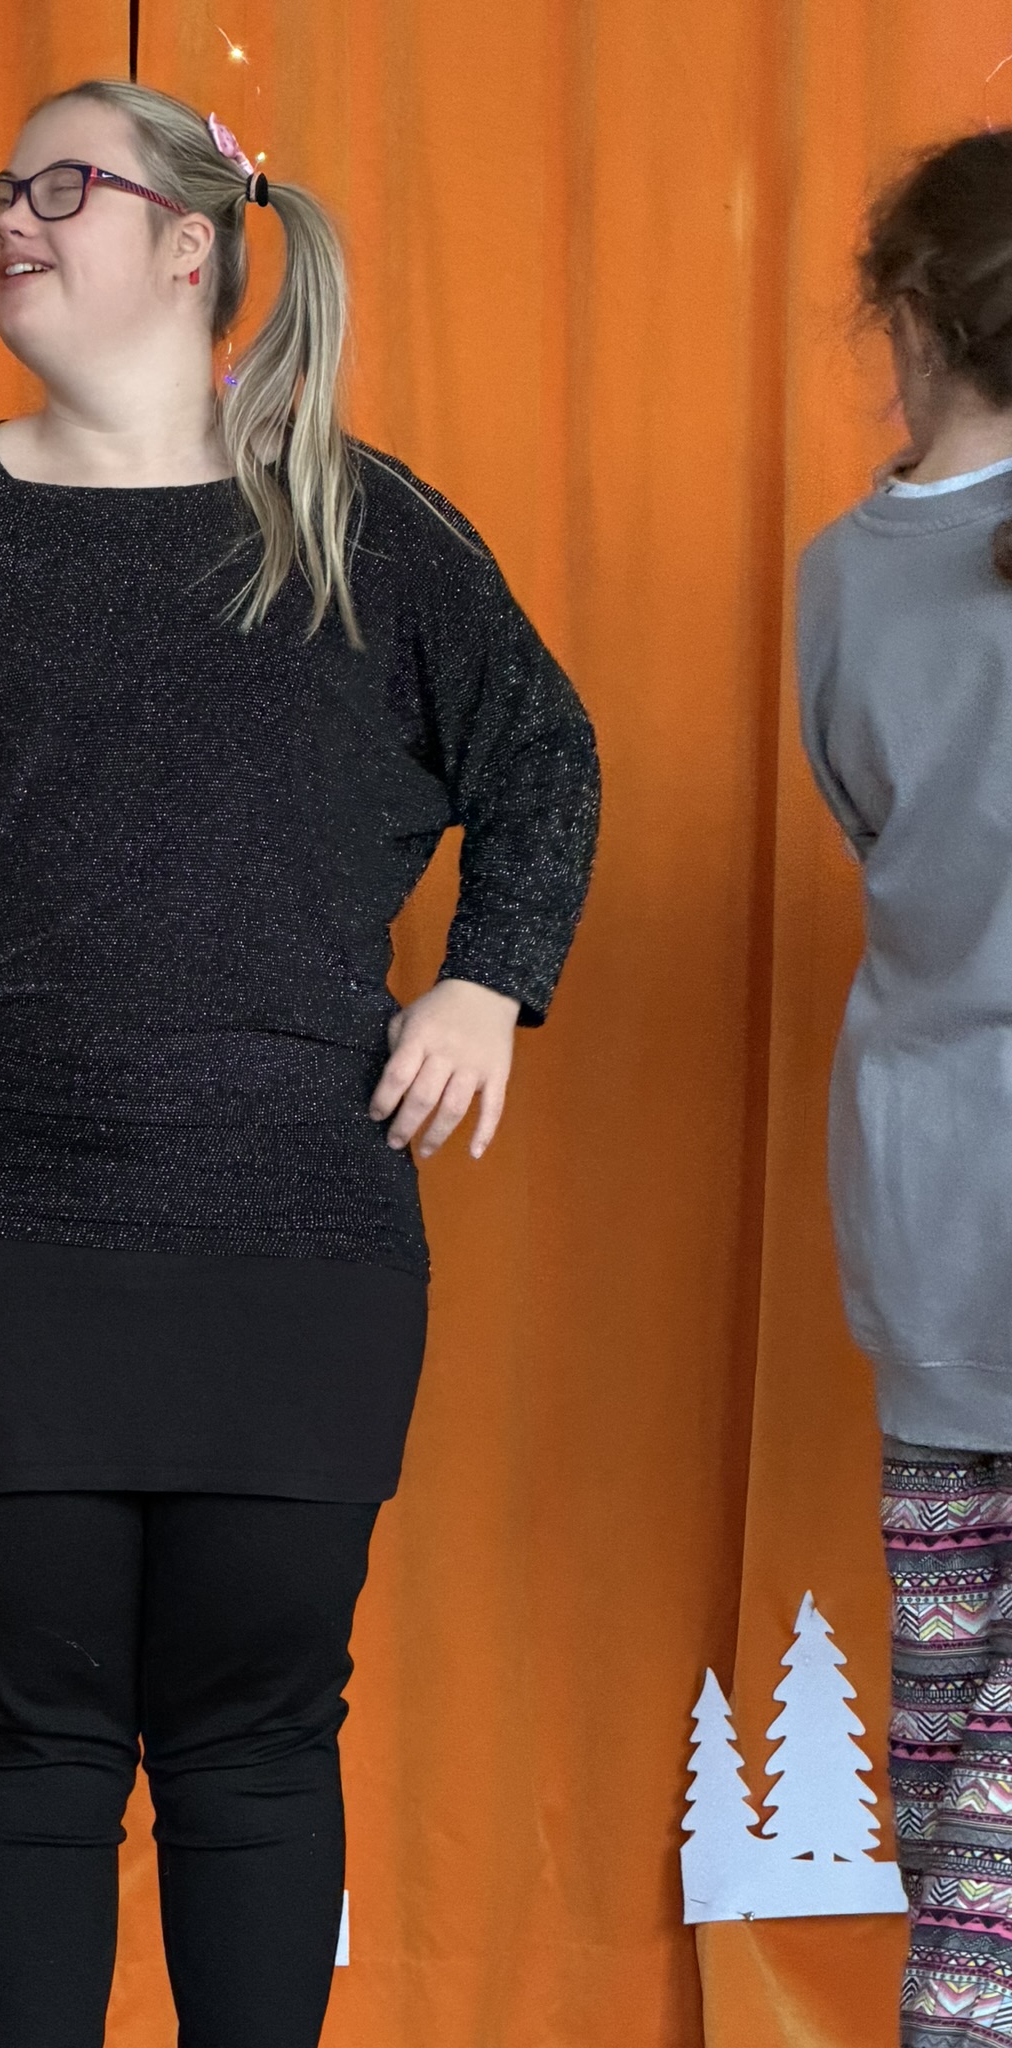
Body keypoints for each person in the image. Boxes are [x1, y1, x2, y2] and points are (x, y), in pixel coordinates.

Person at [0, 76, 599, 2048]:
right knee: (27, 1729)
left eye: (61, 188)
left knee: (259, 1737)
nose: (8, 218)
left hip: (296, 1236)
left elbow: (543, 756)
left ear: (191, 245)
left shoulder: (363, 528)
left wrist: (487, 984)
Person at [796, 128, 1012, 2046]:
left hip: (929, 1185)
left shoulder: (845, 579)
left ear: (911, 314)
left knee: (951, 1731)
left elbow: (873, 833)